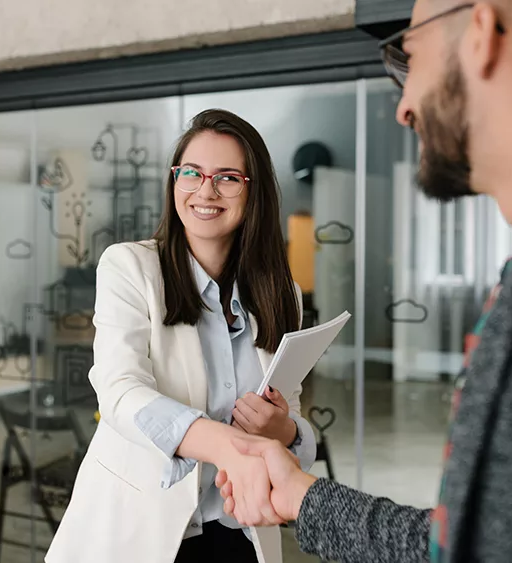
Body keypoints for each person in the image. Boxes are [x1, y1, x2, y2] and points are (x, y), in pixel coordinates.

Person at [216, 0, 512, 562]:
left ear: (482, 33)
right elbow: (484, 544)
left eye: (410, 56)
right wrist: (305, 499)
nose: (403, 106)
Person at [45, 108, 317, 563]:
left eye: (228, 177)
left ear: (256, 193)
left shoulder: (280, 292)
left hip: (241, 533)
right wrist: (232, 444)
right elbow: (119, 392)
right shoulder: (129, 267)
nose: (205, 190)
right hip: (139, 533)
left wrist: (284, 430)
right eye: (191, 172)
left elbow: (289, 410)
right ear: (175, 181)